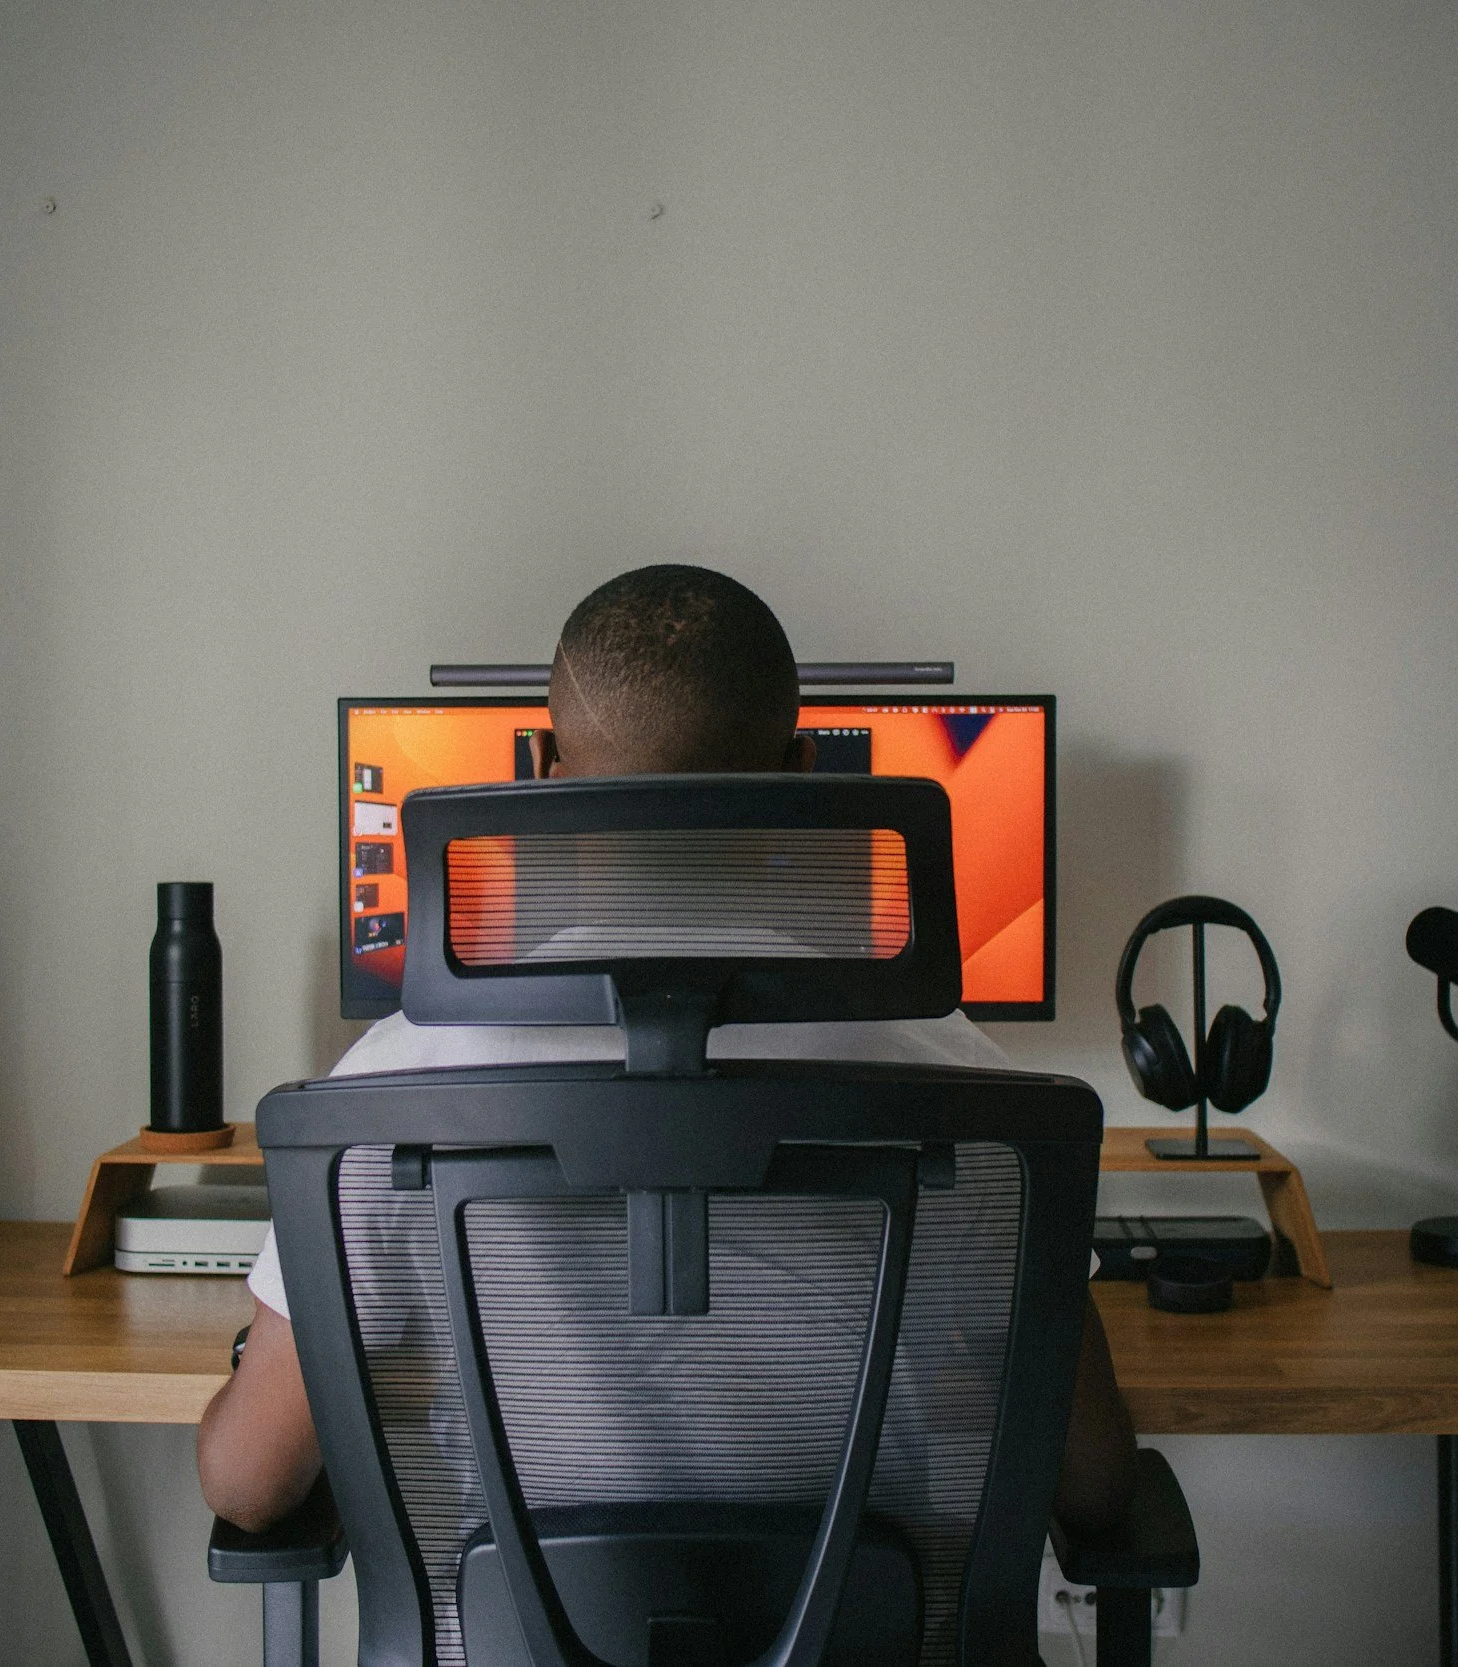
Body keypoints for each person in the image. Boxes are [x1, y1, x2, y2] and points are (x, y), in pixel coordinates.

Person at [196, 564, 1137, 1550]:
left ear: (548, 784)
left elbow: (249, 1483)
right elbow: (1095, 1477)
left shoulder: (391, 1088)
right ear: (802, 774)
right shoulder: (971, 1090)